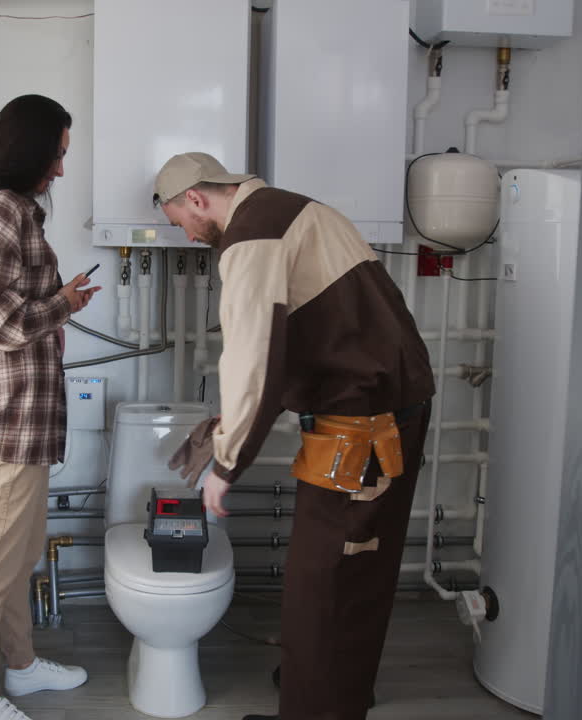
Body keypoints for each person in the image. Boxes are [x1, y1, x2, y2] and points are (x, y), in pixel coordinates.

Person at [153, 152, 435, 720]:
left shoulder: (252, 237)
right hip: (388, 406)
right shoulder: (297, 210)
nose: (183, 232)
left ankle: (315, 707)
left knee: (321, 576)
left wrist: (227, 464)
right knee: (360, 568)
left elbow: (255, 357)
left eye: (178, 219)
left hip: (363, 422)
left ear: (198, 199)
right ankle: (334, 688)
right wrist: (228, 425)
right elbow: (314, 330)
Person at [0, 94, 100, 720]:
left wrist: (55, 304)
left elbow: (0, 307)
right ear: (29, 148)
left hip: (21, 424)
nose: (61, 168)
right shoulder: (1, 212)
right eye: (57, 154)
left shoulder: (10, 212)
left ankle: (22, 666)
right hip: (5, 423)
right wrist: (59, 306)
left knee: (18, 555)